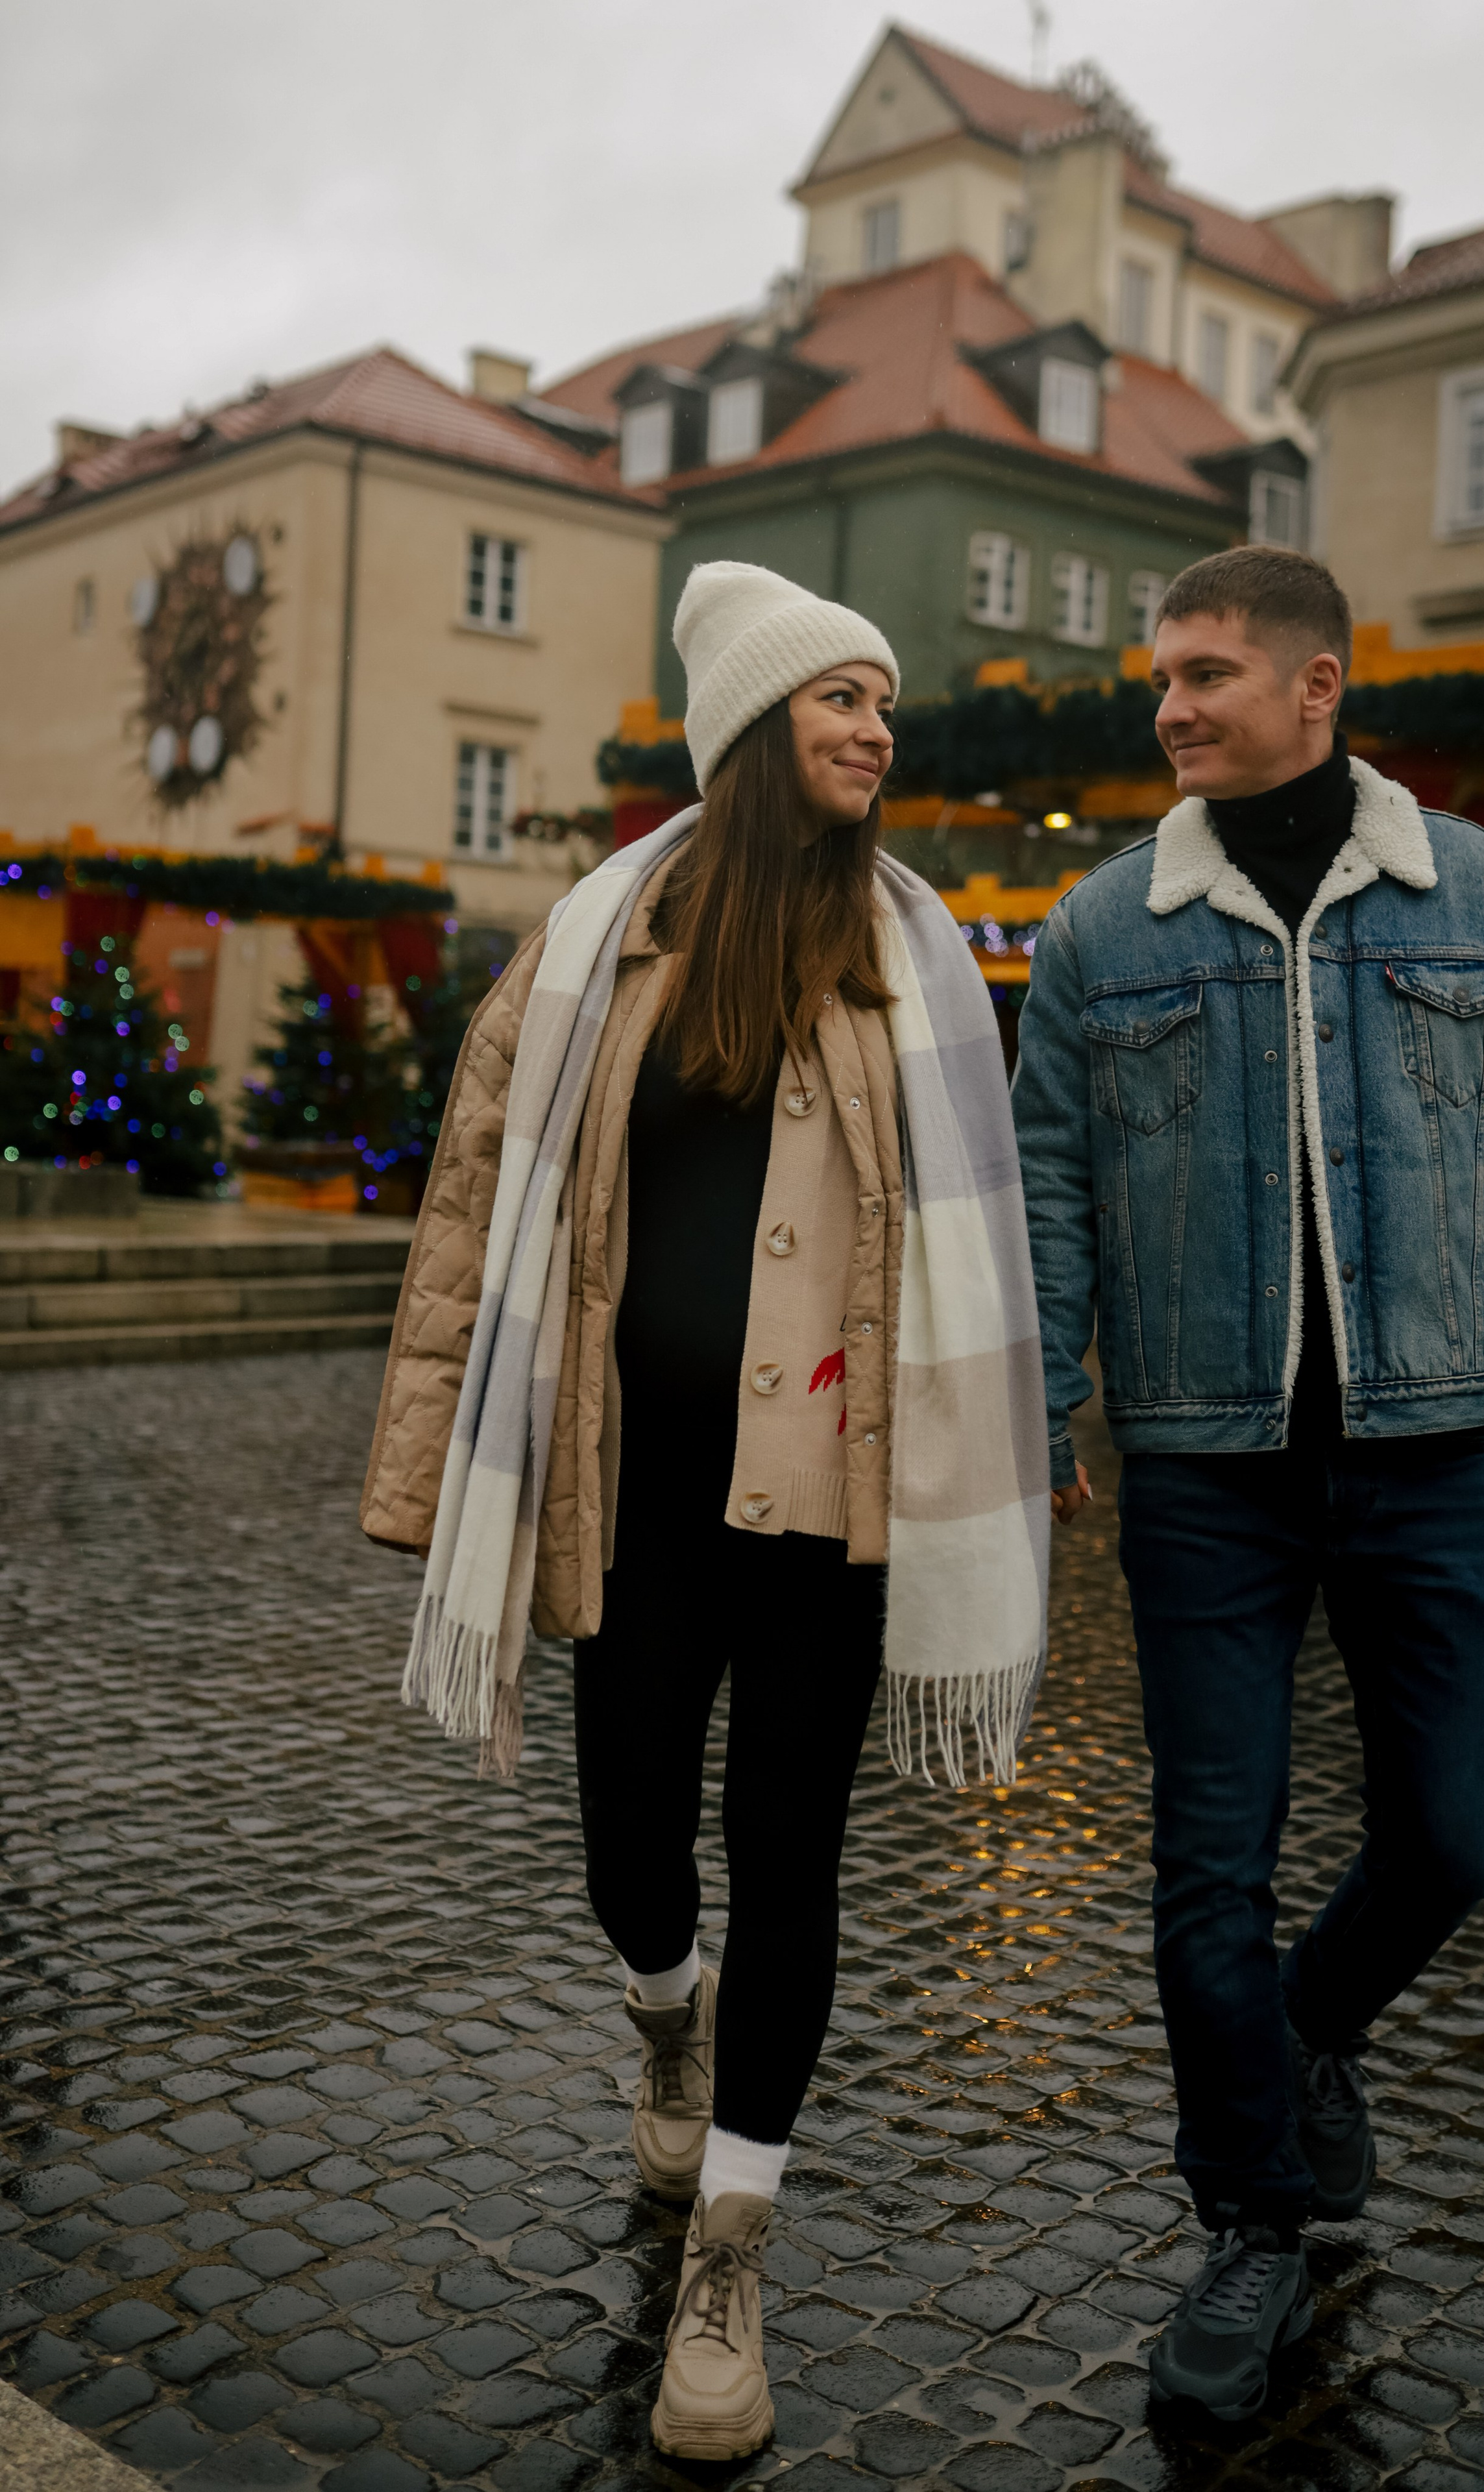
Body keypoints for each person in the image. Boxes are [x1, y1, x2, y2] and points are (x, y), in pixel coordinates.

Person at [361, 561, 1049, 2463]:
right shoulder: (594, 957)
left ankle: (731, 2253)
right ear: (755, 731)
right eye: (840, 700)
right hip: (638, 1499)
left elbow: (988, 1238)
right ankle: (671, 2020)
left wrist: (1017, 1431)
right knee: (631, 1861)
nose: (875, 732)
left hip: (833, 1517)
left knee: (794, 1858)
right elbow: (468, 1212)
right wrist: (427, 1468)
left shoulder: (916, 971)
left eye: (885, 708)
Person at [1012, 546, 1484, 2423]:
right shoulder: (1098, 929)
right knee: (1207, 1863)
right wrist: (1051, 1400)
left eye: (1208, 670)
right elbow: (1055, 1189)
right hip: (1202, 1469)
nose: (1169, 703)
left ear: (1319, 687)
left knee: (1454, 1837)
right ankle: (1249, 2227)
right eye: (1160, 675)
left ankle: (1299, 2039)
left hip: (1432, 1449)